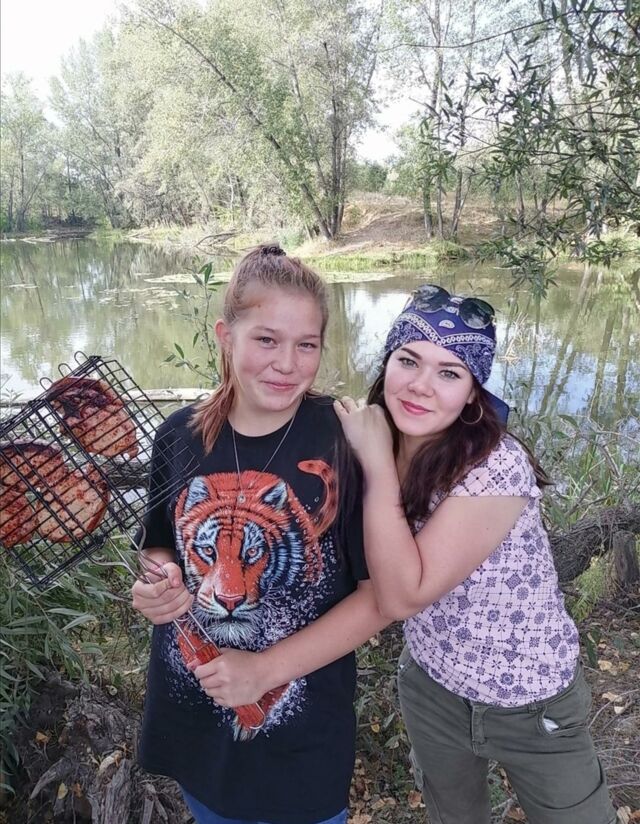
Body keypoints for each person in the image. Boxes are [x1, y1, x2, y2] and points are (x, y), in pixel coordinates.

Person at [335, 284, 616, 824]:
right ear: (387, 362)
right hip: (432, 687)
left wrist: (375, 464)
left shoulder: (495, 466)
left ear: (472, 393)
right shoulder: (372, 437)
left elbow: (403, 596)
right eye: (408, 360)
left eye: (449, 372)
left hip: (532, 703)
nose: (420, 386)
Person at [132, 245, 387, 824]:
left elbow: (380, 598)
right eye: (267, 340)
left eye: (307, 345)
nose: (287, 364)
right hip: (197, 735)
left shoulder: (342, 444)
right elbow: (161, 544)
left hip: (301, 751)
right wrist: (158, 582)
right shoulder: (178, 436)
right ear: (226, 337)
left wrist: (265, 670)